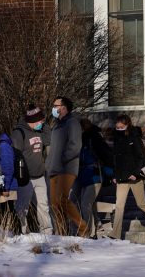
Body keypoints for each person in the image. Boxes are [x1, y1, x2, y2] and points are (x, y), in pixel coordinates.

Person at [109, 114, 145, 240]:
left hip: (134, 177)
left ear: (127, 124)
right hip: (121, 177)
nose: (119, 127)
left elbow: (141, 157)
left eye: (121, 125)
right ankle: (115, 234)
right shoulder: (115, 137)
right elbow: (114, 159)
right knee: (119, 205)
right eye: (117, 125)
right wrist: (114, 175)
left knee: (141, 204)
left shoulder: (134, 136)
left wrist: (136, 173)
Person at [47, 96, 89, 236]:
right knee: (54, 203)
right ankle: (61, 231)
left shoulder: (72, 123)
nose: (53, 107)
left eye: (55, 105)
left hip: (67, 168)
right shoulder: (57, 124)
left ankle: (82, 227)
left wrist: (62, 159)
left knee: (62, 199)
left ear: (63, 108)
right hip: (54, 169)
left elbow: (75, 146)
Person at [11, 105, 52, 234]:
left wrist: (44, 125)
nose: (42, 123)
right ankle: (21, 232)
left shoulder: (39, 131)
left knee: (43, 206)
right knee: (22, 208)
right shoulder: (19, 132)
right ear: (32, 120)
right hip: (26, 178)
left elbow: (48, 140)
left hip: (40, 176)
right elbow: (15, 154)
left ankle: (47, 232)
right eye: (40, 121)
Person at [77, 118, 114, 237]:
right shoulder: (83, 139)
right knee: (90, 204)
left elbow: (106, 154)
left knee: (85, 204)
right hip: (84, 176)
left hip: (94, 176)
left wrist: (110, 172)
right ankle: (96, 226)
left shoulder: (93, 138)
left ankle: (90, 232)